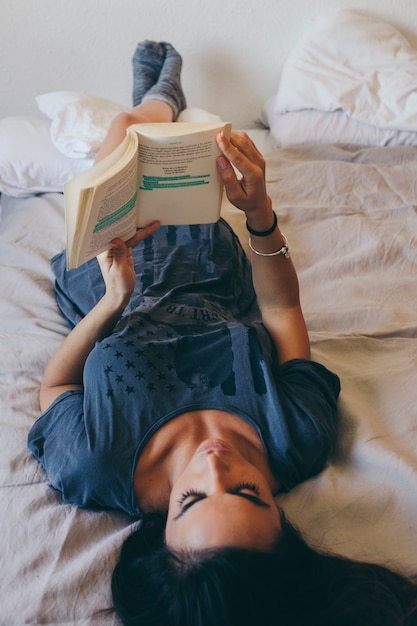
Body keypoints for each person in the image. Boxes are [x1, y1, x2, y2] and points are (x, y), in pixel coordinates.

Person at [27, 42, 417, 625]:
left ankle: (154, 97)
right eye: (246, 493)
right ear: (281, 518)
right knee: (179, 152)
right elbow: (282, 311)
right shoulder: (296, 436)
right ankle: (164, 100)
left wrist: (114, 301)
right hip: (206, 260)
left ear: (159, 534)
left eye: (191, 500)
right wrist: (259, 212)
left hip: (108, 265)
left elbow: (55, 387)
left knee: (124, 131)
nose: (216, 465)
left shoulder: (97, 463)